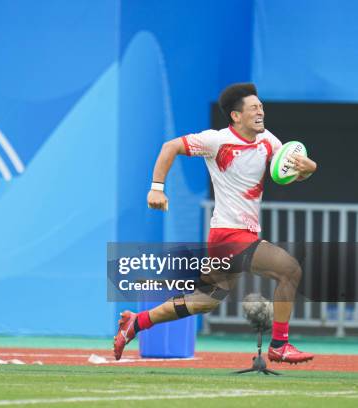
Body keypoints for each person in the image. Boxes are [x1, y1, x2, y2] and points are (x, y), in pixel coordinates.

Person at [113, 83, 317, 364]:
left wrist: (308, 169)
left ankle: (136, 322)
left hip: (237, 234)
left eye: (261, 107)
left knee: (206, 299)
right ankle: (279, 345)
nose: (261, 112)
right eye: (254, 108)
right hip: (229, 234)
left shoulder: (269, 140)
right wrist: (157, 188)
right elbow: (170, 147)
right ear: (236, 116)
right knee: (289, 270)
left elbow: (288, 172)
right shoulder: (215, 141)